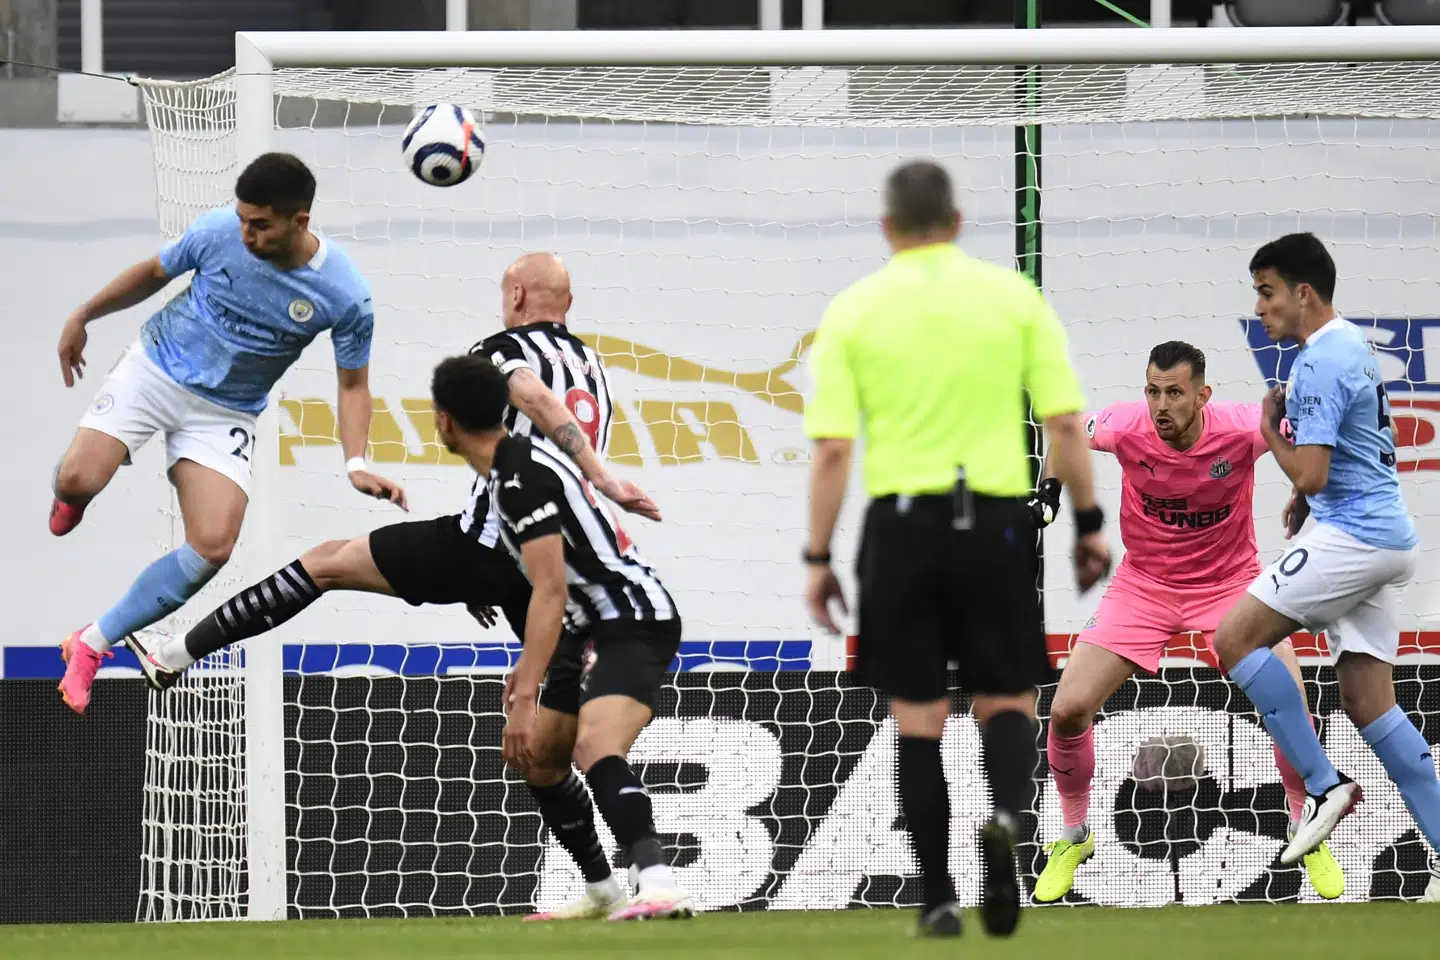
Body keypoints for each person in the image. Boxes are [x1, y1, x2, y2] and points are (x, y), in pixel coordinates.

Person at [803, 159, 1111, 937]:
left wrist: (817, 557)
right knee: (1006, 699)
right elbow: (1067, 426)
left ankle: (938, 898)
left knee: (918, 719)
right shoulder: (1012, 299)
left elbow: (834, 449)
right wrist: (1085, 524)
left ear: (886, 227)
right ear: (959, 221)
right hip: (997, 524)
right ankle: (1007, 817)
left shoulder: (854, 309)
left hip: (904, 528)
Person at [127, 253, 658, 685]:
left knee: (325, 563)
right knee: (557, 708)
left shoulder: (503, 348)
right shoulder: (593, 368)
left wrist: (604, 477)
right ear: (570, 303)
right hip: (553, 560)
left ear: (516, 296)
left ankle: (173, 654)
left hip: (494, 547)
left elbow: (532, 396)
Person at [53, 152, 406, 714]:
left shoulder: (345, 294)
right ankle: (72, 496)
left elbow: (353, 385)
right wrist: (83, 315)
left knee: (214, 545)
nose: (245, 232)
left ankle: (92, 642)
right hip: (156, 369)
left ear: (300, 222)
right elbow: (153, 273)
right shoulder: (218, 232)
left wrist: (356, 463)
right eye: (242, 218)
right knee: (76, 478)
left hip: (226, 412)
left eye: (260, 224)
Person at [1027, 340, 1343, 903]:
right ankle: (1074, 834)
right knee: (1068, 709)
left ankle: (1304, 825)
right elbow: (1067, 430)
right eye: (1153, 390)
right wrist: (1048, 490)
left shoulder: (1245, 428)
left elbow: (1315, 444)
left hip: (1230, 587)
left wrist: (1306, 491)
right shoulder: (1127, 426)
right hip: (1144, 586)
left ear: (1204, 395)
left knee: (1290, 703)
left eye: (1174, 393)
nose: (1161, 405)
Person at [1212, 232, 1440, 901]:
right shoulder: (1352, 349)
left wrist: (1267, 433)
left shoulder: (1316, 362)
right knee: (1370, 703)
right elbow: (1344, 461)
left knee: (1233, 639)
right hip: (1380, 533)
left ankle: (1323, 785)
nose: (1261, 308)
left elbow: (1311, 472)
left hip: (1356, 537)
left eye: (1267, 291)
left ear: (1302, 292)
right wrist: (1303, 501)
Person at [430, 354, 693, 922]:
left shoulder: (519, 476)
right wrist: (529, 665)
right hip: (586, 625)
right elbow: (549, 582)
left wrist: (526, 691)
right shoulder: (511, 468)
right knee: (542, 761)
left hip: (627, 615)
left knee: (595, 746)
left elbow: (548, 590)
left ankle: (660, 883)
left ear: (444, 422)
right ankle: (602, 891)